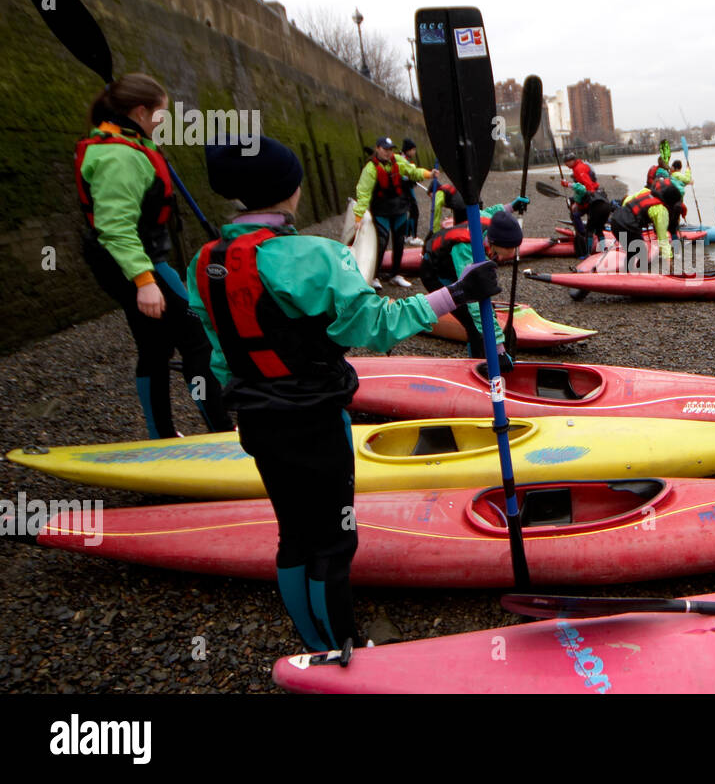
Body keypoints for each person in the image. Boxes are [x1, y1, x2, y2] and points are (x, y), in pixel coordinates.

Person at [189, 135, 499, 652]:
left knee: (294, 535)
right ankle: (341, 649)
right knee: (335, 539)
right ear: (291, 190)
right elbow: (373, 325)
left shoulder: (204, 261)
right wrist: (457, 293)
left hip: (258, 421)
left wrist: (233, 404)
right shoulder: (314, 255)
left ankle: (313, 644)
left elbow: (217, 348)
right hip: (314, 419)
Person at [75, 73, 231, 439]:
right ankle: (220, 429)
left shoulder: (125, 144)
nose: (165, 121)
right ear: (142, 112)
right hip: (134, 261)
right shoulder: (119, 155)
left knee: (155, 346)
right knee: (197, 341)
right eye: (161, 113)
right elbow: (114, 227)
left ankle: (161, 435)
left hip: (130, 259)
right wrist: (145, 282)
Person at [420, 207, 522, 365]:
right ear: (494, 241)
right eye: (509, 248)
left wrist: (512, 205)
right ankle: (476, 367)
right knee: (473, 324)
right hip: (435, 273)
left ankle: (489, 357)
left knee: (487, 315)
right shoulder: (466, 249)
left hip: (454, 268)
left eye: (516, 247)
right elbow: (474, 298)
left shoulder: (489, 222)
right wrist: (498, 348)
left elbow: (493, 210)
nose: (513, 252)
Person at [354, 136, 434, 288]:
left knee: (399, 242)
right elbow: (363, 193)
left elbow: (413, 171)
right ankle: (374, 276)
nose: (388, 153)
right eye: (385, 149)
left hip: (399, 209)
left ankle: (396, 274)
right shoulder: (370, 169)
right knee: (381, 242)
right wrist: (358, 217)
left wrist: (429, 174)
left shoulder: (397, 161)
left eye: (390, 149)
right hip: (381, 211)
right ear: (377, 148)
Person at [609, 181, 680, 274]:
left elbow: (627, 201)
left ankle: (628, 274)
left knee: (633, 250)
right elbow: (663, 239)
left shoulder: (646, 192)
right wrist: (669, 259)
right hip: (627, 225)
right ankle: (640, 277)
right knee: (642, 252)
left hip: (615, 220)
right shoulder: (661, 210)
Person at [569, 181, 612, 257]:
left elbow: (580, 188)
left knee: (590, 230)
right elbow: (582, 212)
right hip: (607, 208)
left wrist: (568, 184)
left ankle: (587, 253)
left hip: (597, 208)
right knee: (599, 230)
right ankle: (603, 250)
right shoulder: (596, 194)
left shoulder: (583, 194)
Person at [400, 138, 422, 244]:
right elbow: (403, 177)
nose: (414, 152)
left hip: (405, 190)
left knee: (409, 212)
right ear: (407, 150)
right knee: (414, 212)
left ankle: (407, 235)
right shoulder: (402, 161)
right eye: (413, 149)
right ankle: (413, 237)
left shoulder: (404, 160)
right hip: (405, 191)